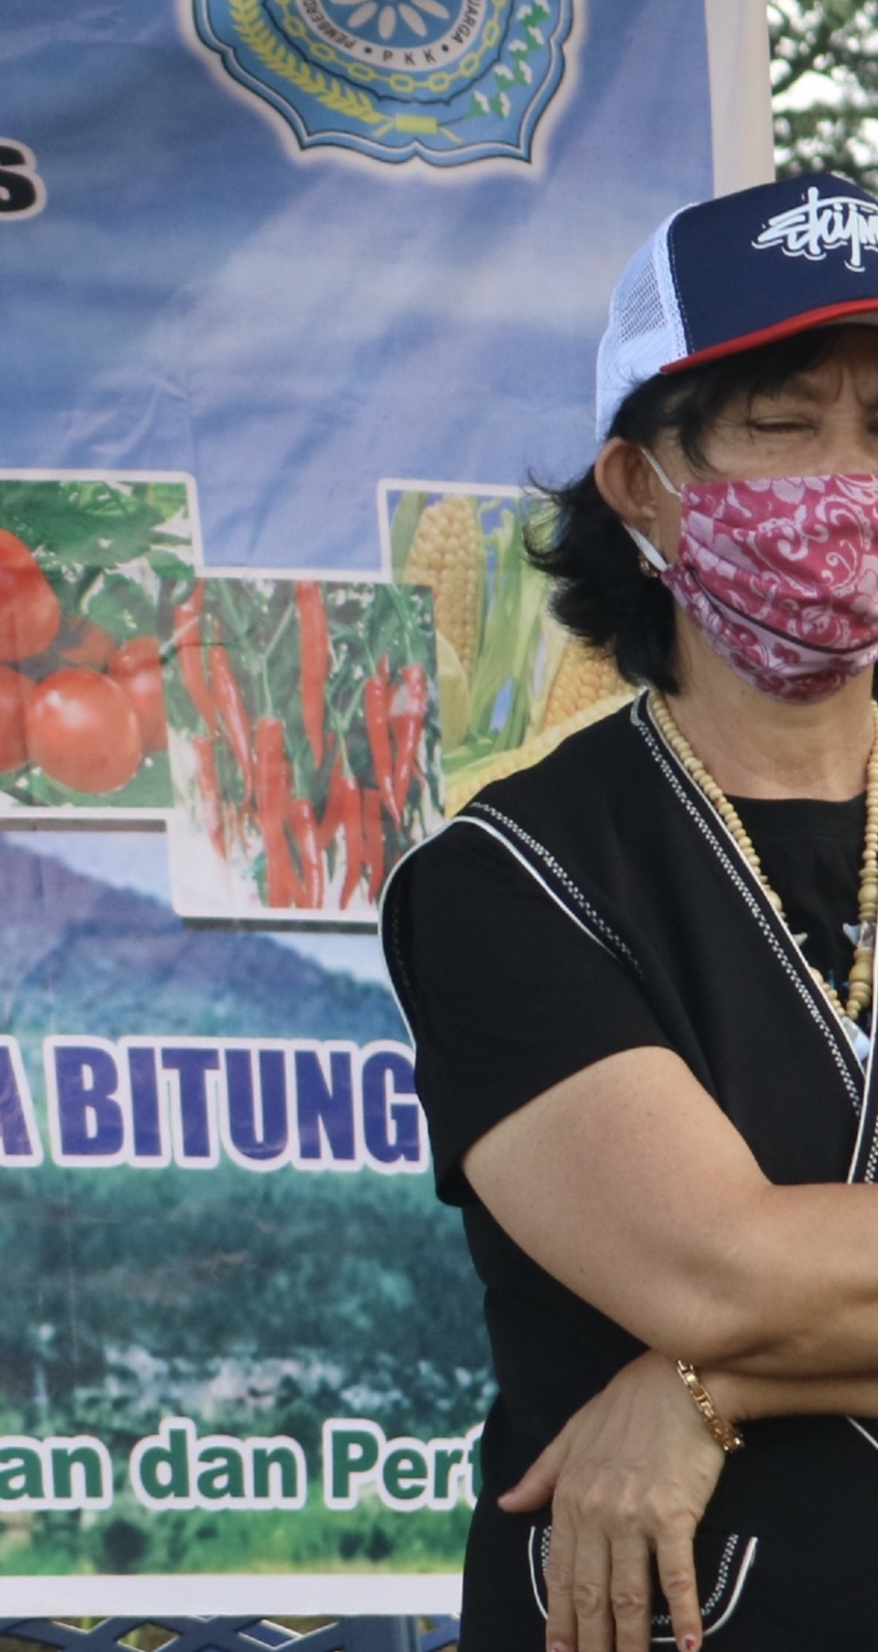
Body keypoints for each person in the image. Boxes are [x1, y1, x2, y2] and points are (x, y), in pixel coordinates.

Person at [386, 172, 878, 1652]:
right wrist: (721, 1337)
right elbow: (721, 1272)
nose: (849, 478)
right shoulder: (507, 880)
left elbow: (738, 1328)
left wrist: (708, 1388)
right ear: (638, 482)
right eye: (782, 423)